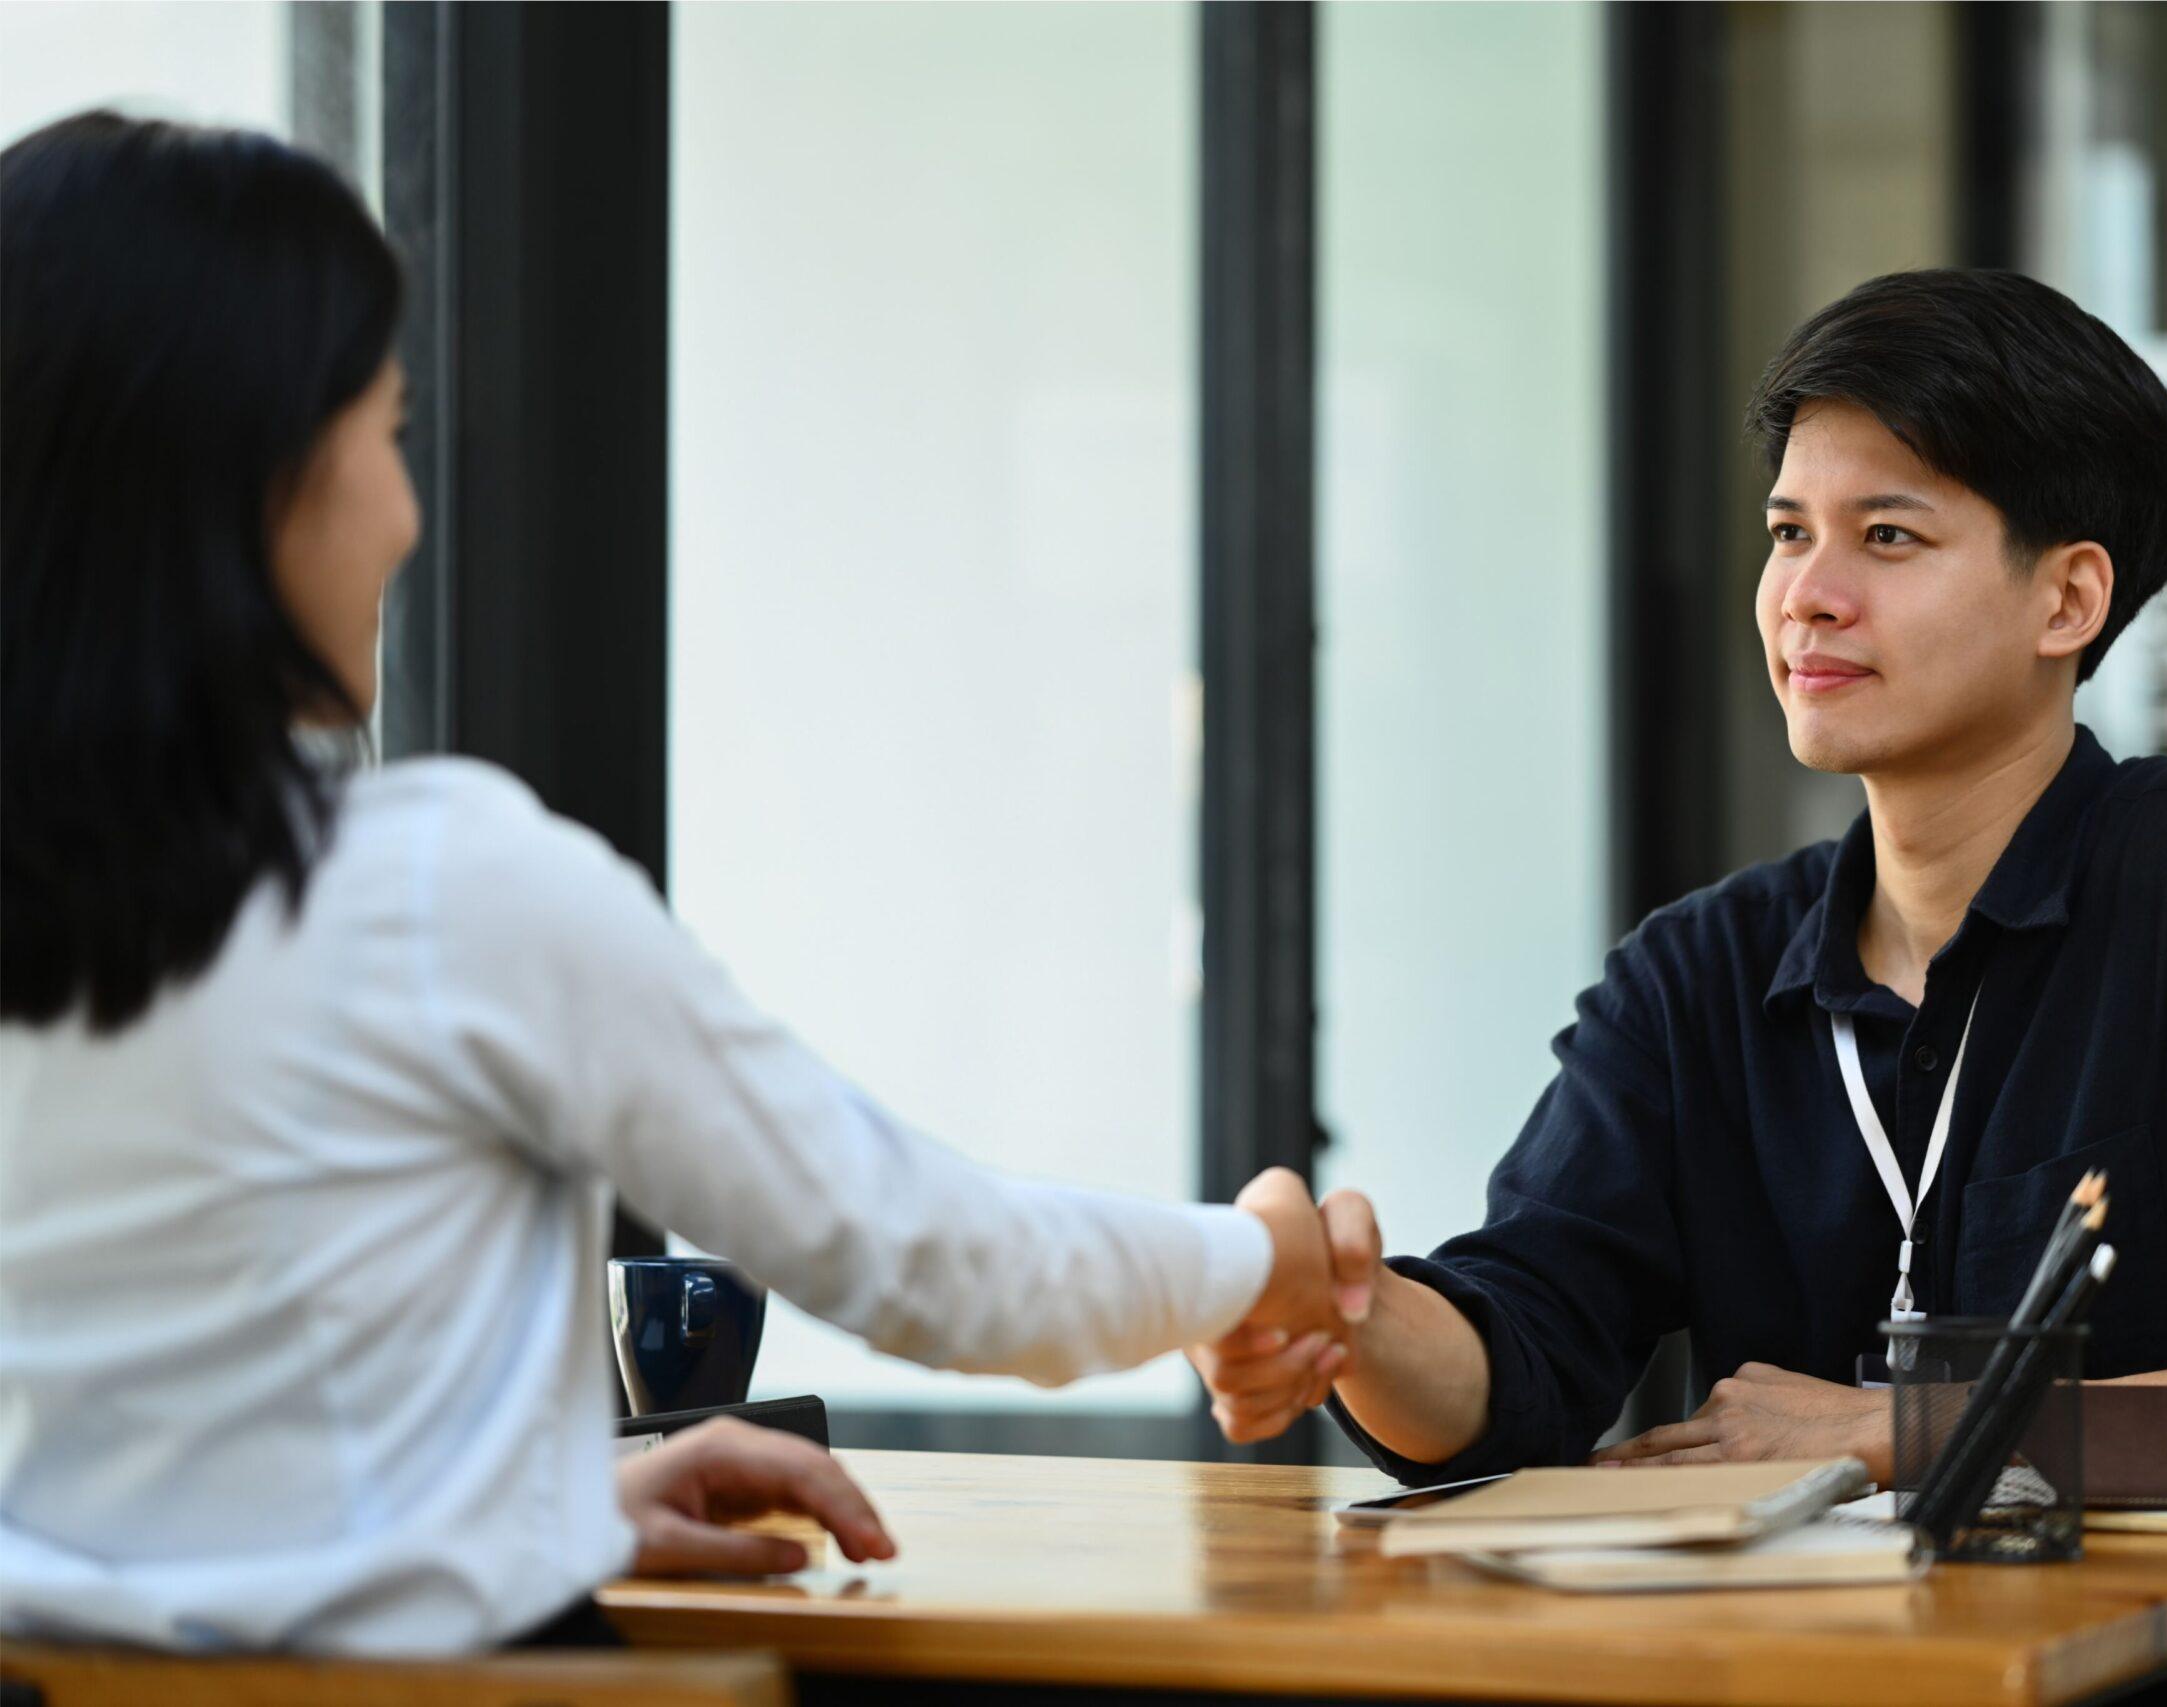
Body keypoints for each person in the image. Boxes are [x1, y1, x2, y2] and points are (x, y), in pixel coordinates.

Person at [0, 111, 1355, 1656]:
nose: (406, 516)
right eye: (382, 432)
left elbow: (169, 1494)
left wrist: (544, 1511)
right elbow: (925, 1257)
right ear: (250, 483)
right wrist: (1252, 1260)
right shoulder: (438, 889)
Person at [1189, 268, 2167, 1697]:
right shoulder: (1701, 972)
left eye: (1887, 536)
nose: (1807, 597)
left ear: (2067, 596)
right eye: (1789, 534)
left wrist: (1905, 1425)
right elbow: (1527, 1354)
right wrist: (1358, 1320)